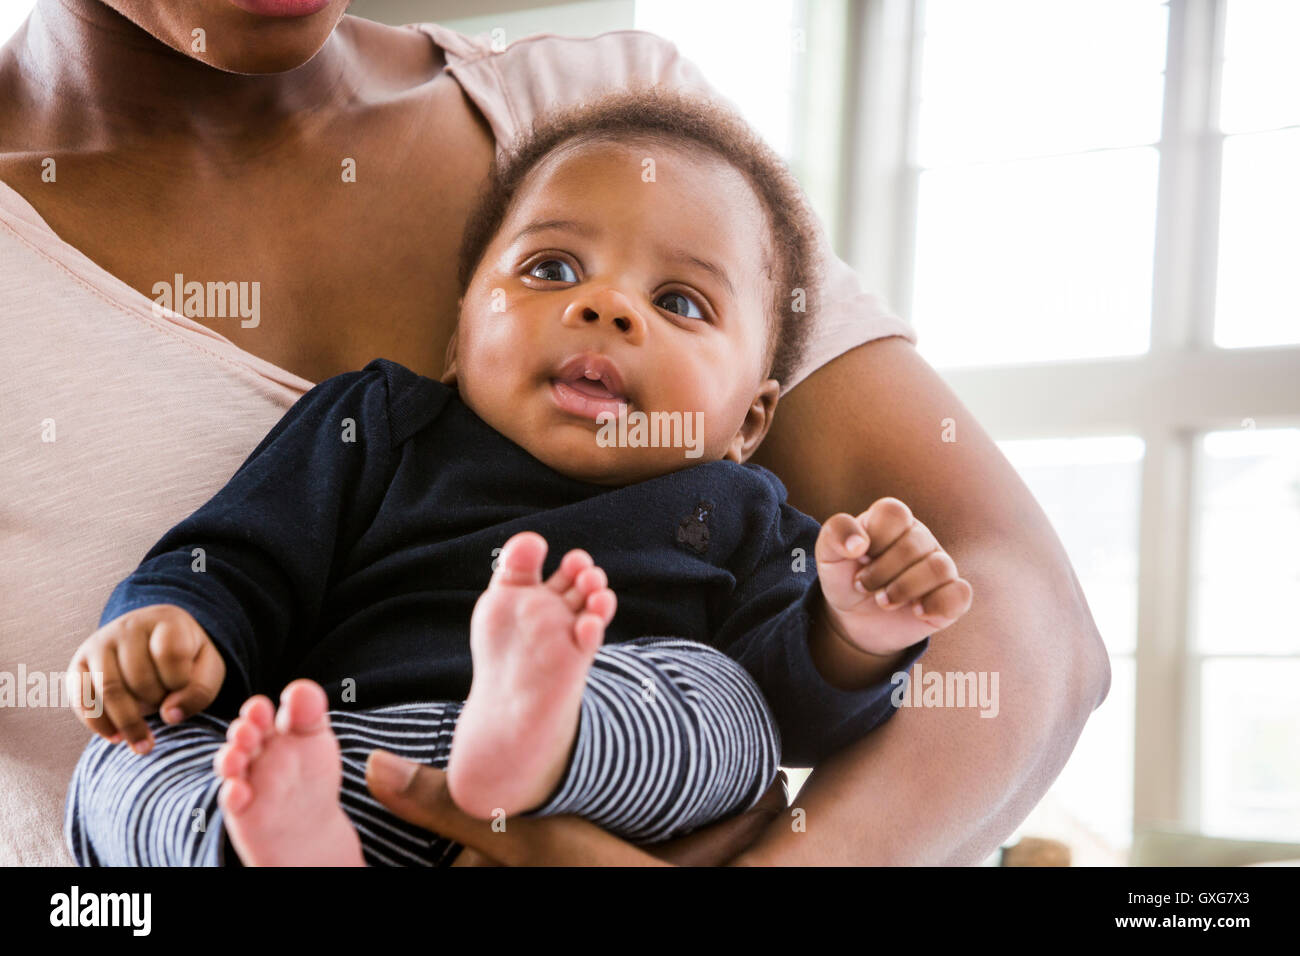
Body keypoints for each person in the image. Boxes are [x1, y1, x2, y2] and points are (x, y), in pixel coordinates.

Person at [0, 0, 1109, 867]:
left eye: (677, 303)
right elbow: (241, 553)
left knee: (709, 694)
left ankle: (539, 733)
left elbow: (987, 631)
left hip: (584, 753)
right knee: (131, 767)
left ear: (752, 419)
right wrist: (167, 628)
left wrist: (854, 625)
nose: (608, 309)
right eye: (550, 271)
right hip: (326, 767)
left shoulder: (629, 131)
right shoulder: (376, 421)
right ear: (454, 328)